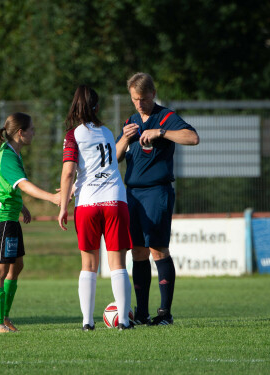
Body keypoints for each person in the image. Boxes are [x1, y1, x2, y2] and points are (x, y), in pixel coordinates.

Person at [116, 73, 200, 326]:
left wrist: (161, 132)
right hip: (132, 194)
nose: (139, 104)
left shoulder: (166, 117)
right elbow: (115, 158)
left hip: (156, 191)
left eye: (142, 98)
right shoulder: (131, 120)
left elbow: (192, 138)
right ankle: (141, 314)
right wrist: (123, 138)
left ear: (153, 94)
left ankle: (165, 313)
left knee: (158, 249)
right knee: (138, 252)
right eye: (134, 99)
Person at [58, 85, 134, 331]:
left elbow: (69, 171)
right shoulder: (108, 132)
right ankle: (123, 320)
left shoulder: (73, 135)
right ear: (97, 107)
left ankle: (87, 322)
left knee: (89, 265)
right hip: (115, 200)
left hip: (88, 203)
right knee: (118, 264)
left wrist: (62, 207)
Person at [0, 112, 61, 333]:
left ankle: (4, 317)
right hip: (0, 219)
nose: (34, 132)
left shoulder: (14, 153)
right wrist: (52, 197)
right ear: (20, 132)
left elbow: (8, 187)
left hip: (10, 217)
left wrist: (22, 207)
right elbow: (24, 185)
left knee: (16, 266)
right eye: (32, 129)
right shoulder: (6, 155)